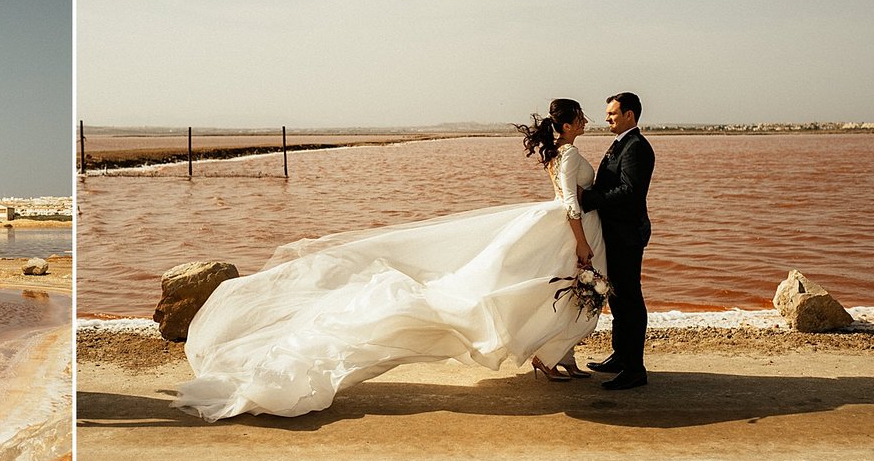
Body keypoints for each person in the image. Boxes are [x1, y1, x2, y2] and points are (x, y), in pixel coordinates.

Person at [172, 99, 607, 422]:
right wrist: (582, 244)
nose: (587, 122)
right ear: (568, 125)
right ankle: (551, 357)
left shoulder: (559, 152)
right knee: (541, 290)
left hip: (552, 229)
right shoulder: (567, 155)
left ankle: (555, 355)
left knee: (546, 291)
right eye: (582, 117)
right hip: (564, 229)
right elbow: (570, 204)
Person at [579, 92, 655, 390]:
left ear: (629, 115)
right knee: (618, 298)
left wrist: (588, 199)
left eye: (612, 113)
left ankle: (635, 369)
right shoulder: (622, 143)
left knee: (629, 300)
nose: (607, 118)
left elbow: (629, 192)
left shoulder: (636, 147)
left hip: (627, 234)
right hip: (616, 233)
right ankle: (621, 356)